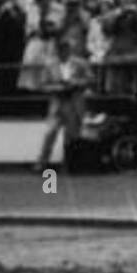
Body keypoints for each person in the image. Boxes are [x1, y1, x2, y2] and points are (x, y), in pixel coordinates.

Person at [34, 38, 92, 172]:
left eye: (64, 49)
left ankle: (70, 165)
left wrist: (75, 83)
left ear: (68, 50)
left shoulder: (80, 63)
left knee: (72, 136)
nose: (62, 52)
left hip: (73, 102)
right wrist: (57, 87)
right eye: (60, 50)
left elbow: (90, 79)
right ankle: (42, 162)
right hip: (58, 102)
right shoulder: (50, 65)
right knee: (50, 133)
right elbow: (43, 85)